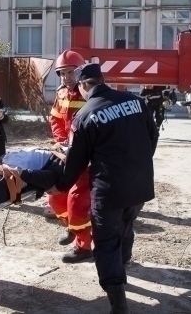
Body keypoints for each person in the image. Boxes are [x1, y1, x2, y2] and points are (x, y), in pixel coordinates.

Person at [55, 63, 158, 314]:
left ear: (84, 85)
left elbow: (76, 162)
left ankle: (118, 304)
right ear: (102, 80)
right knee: (126, 224)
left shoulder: (86, 114)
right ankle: (123, 266)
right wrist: (138, 165)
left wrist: (59, 185)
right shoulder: (135, 101)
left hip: (109, 189)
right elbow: (152, 136)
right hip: (140, 184)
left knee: (106, 242)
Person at [47, 49, 93, 263]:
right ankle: (74, 229)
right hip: (65, 153)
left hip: (85, 158)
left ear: (81, 72)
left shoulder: (90, 93)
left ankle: (84, 247)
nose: (66, 77)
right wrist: (60, 140)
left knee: (77, 203)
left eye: (70, 72)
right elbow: (55, 119)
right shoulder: (61, 93)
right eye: (62, 73)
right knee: (56, 198)